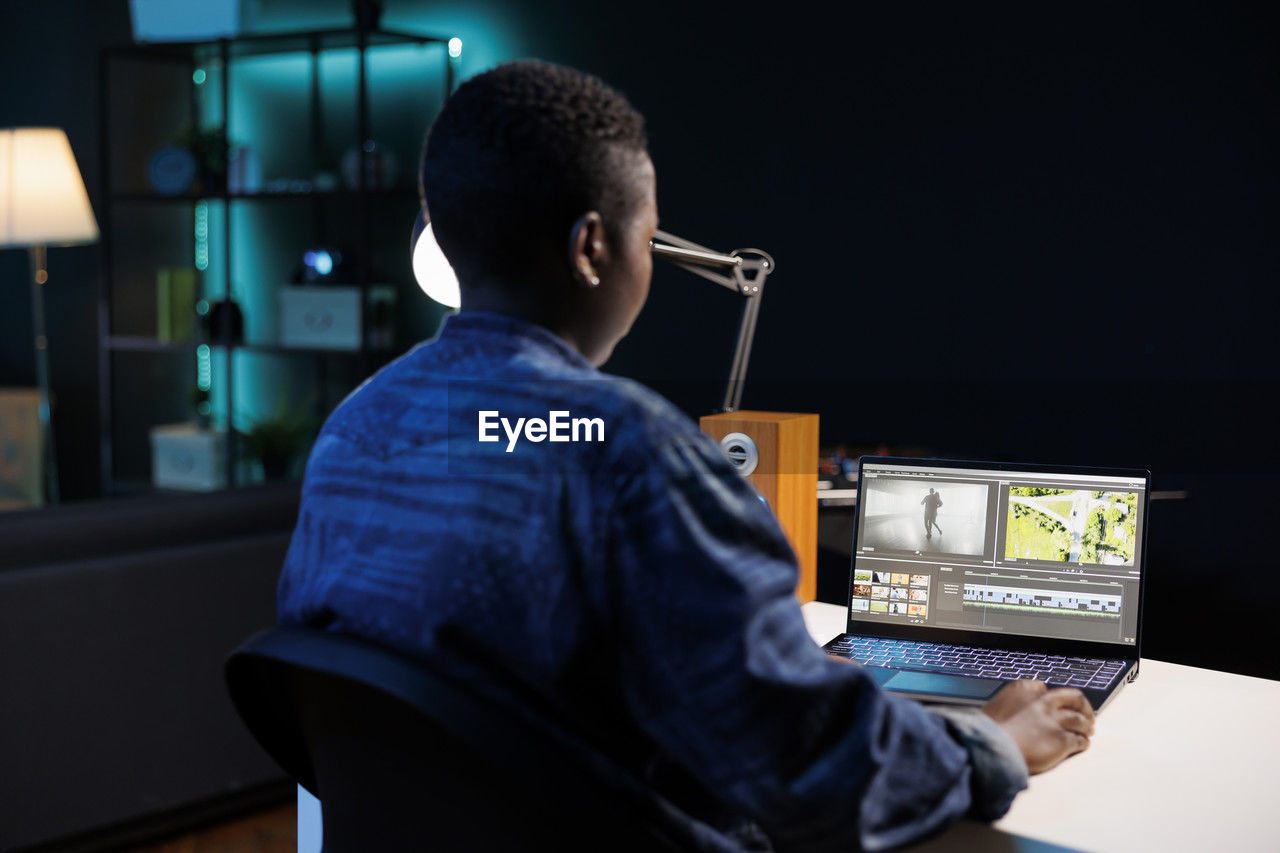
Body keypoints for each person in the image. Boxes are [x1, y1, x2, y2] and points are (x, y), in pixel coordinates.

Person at [276, 60, 1094, 851]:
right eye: (646, 230)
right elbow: (809, 769)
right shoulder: (629, 452)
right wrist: (993, 743)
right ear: (593, 247)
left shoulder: (356, 427)